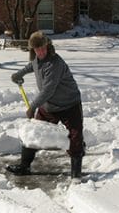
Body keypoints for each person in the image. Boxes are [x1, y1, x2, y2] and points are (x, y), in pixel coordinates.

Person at [6, 31, 84, 179]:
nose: (40, 52)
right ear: (33, 50)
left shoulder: (55, 63)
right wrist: (19, 74)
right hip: (49, 107)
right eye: (37, 49)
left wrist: (33, 106)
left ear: (48, 46)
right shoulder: (37, 59)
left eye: (43, 48)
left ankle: (76, 173)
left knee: (75, 138)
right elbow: (32, 66)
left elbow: (48, 90)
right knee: (33, 133)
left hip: (70, 105)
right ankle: (24, 166)